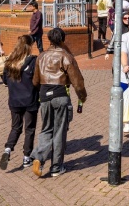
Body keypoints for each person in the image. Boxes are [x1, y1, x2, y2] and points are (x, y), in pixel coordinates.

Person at [31, 28, 87, 178]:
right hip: (60, 94)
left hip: (44, 95)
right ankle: (56, 167)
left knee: (46, 129)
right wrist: (82, 97)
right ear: (63, 39)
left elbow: (35, 81)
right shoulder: (66, 56)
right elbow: (78, 82)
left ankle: (39, 157)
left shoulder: (41, 56)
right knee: (59, 131)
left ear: (49, 40)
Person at [0, 35, 39, 170]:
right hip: (30, 100)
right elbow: (37, 81)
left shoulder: (10, 62)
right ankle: (26, 157)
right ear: (29, 46)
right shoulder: (33, 61)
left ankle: (8, 149)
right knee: (29, 129)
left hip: (14, 100)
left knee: (15, 127)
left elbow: (5, 80)